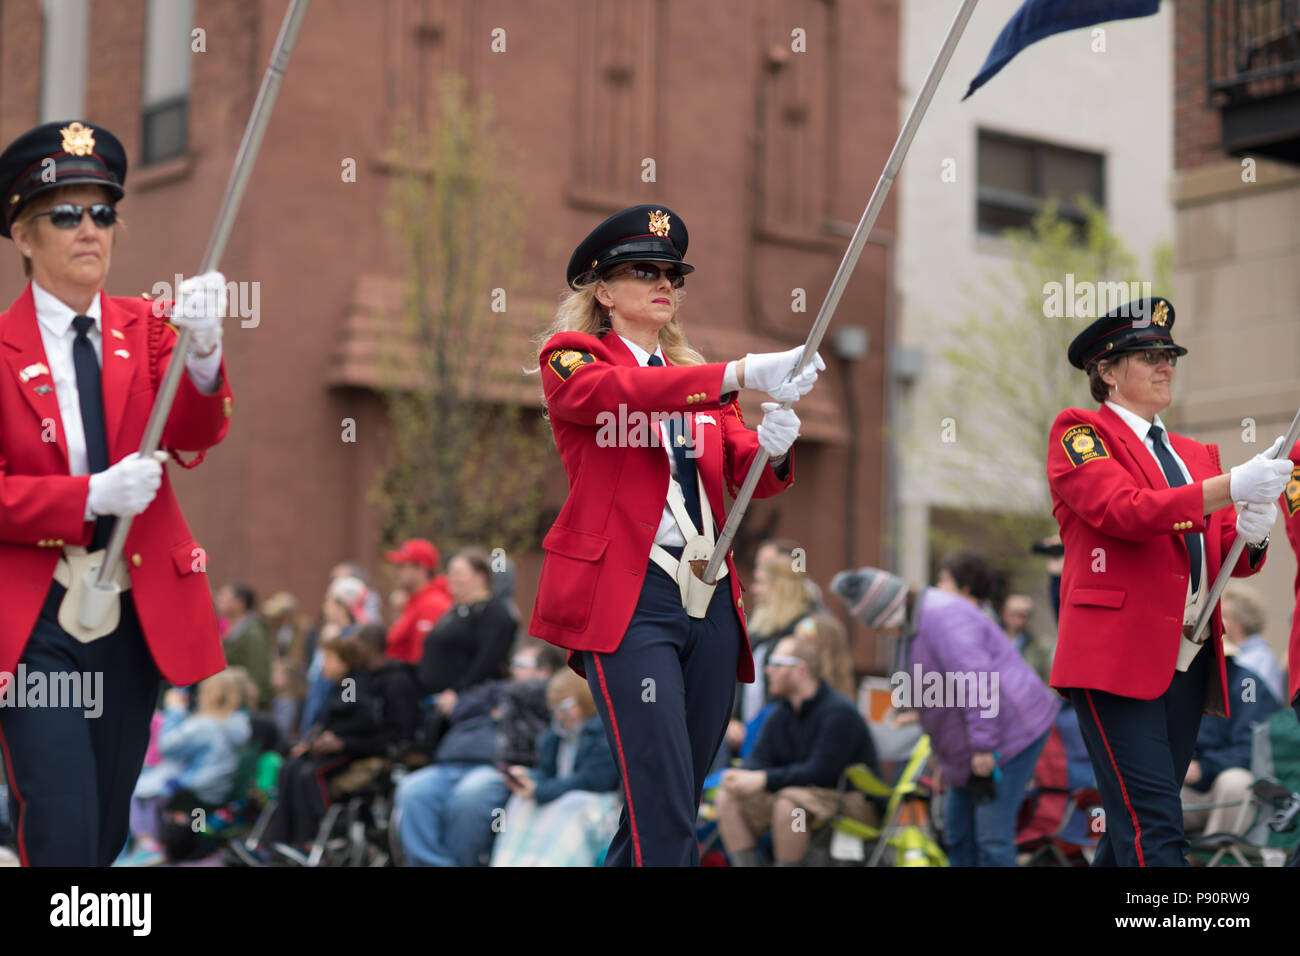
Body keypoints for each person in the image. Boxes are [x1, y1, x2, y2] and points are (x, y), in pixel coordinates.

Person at [528, 204, 822, 866]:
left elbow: (749, 474)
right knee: (661, 801)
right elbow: (617, 397)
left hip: (710, 596)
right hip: (631, 601)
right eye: (643, 271)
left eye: (671, 273)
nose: (664, 282)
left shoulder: (698, 384)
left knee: (667, 802)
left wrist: (773, 446)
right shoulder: (573, 357)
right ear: (602, 291)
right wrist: (741, 373)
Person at [0, 120, 233, 866]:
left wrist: (205, 351)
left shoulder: (151, 328)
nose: (89, 228)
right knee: (62, 818)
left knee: (104, 826)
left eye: (102, 211)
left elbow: (196, 431)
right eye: (66, 213)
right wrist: (89, 493)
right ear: (24, 236)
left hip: (133, 609)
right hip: (37, 620)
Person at [1046, 296, 1290, 866]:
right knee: (1156, 827)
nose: (1165, 365)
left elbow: (1230, 558)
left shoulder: (1193, 454)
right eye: (1147, 354)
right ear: (1104, 371)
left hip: (1187, 657)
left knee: (1129, 826)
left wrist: (1254, 529)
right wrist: (1233, 486)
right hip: (1115, 658)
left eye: (1169, 354)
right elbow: (1124, 511)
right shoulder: (1080, 432)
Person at [831, 566, 1059, 867]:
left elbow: (976, 678)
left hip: (1008, 735)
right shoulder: (914, 623)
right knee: (957, 833)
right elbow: (938, 681)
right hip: (965, 746)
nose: (882, 633)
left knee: (991, 838)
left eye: (880, 625)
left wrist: (984, 746)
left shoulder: (942, 616)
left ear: (888, 610)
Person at [395, 637, 563, 866]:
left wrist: (497, 704)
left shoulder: (549, 696)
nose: (514, 671)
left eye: (522, 665)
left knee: (470, 795)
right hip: (450, 763)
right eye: (513, 664)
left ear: (544, 671)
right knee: (413, 789)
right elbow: (457, 707)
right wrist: (492, 705)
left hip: (496, 768)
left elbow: (467, 705)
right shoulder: (494, 690)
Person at [714, 634, 878, 866]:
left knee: (789, 805)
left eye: (776, 664)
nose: (767, 670)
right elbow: (759, 761)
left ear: (800, 669)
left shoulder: (840, 713)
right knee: (727, 797)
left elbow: (820, 773)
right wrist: (742, 777)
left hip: (851, 803)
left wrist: (762, 778)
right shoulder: (779, 713)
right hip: (799, 800)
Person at [491, 669, 621, 867]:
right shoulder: (554, 734)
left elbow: (594, 781)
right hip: (562, 795)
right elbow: (546, 772)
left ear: (585, 700)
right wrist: (529, 778)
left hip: (597, 802)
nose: (560, 714)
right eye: (554, 708)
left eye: (565, 706)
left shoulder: (604, 731)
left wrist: (541, 789)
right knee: (522, 801)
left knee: (570, 804)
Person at [1181, 646, 1280, 837]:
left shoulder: (1247, 683)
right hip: (1187, 790)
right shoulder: (1181, 684)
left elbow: (1253, 748)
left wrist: (1203, 767)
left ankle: (1215, 856)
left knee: (1235, 782)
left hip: (1230, 790)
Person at [416, 547, 516, 707]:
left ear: (480, 576)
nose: (451, 578)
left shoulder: (493, 611)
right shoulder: (455, 611)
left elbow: (488, 659)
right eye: (450, 572)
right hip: (437, 701)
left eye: (458, 573)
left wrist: (458, 691)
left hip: (470, 703)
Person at [384, 538, 452, 664]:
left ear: (421, 569)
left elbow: (422, 660)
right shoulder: (415, 600)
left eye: (402, 567)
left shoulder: (432, 604)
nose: (396, 572)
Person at [1220, 585, 1285, 705]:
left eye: (1223, 615)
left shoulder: (1258, 659)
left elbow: (1249, 709)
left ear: (1239, 621)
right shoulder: (1243, 655)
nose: (1219, 621)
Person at [215, 582, 273, 711]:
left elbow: (260, 675)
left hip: (242, 707)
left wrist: (254, 705)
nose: (218, 600)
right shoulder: (234, 630)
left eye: (224, 596)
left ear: (240, 603)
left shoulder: (253, 634)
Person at [1001, 593, 1053, 684]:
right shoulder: (995, 643)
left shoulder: (1041, 646)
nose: (1017, 619)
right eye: (1014, 614)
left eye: (1023, 615)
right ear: (1005, 615)